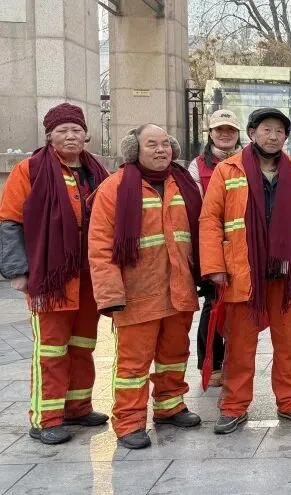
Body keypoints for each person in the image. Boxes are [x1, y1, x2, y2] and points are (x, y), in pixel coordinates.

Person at [199, 107, 291, 434]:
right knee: (240, 345)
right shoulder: (228, 170)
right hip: (242, 270)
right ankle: (234, 406)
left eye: (279, 131)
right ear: (252, 133)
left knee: (290, 344)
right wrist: (214, 266)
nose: (273, 136)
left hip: (287, 271)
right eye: (266, 130)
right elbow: (210, 220)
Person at [0, 103, 110, 445]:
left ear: (86, 134)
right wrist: (18, 271)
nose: (70, 136)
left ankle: (78, 407)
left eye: (76, 130)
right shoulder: (29, 170)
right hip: (51, 277)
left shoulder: (97, 171)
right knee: (51, 350)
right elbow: (10, 221)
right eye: (62, 131)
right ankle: (45, 418)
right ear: (49, 136)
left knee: (83, 345)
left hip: (89, 276)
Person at [88, 125, 203, 449]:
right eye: (151, 144)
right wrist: (110, 294)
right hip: (136, 295)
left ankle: (170, 406)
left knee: (174, 355)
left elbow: (200, 231)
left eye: (165, 144)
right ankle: (129, 423)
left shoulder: (184, 184)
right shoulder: (114, 188)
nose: (160, 149)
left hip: (178, 290)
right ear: (134, 149)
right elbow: (100, 245)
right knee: (133, 364)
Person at [188, 108, 243, 388]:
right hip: (211, 242)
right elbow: (195, 204)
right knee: (213, 304)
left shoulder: (249, 161)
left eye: (230, 130)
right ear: (210, 133)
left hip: (242, 245)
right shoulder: (198, 166)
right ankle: (211, 362)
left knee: (238, 306)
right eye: (219, 130)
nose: (225, 134)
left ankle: (235, 361)